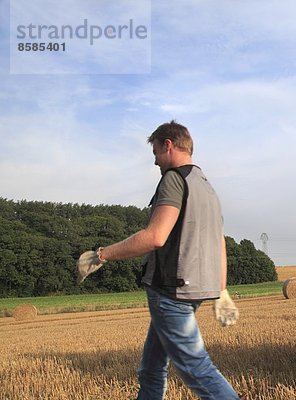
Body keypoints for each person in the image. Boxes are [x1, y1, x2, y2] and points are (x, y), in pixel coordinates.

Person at [76, 121, 241, 399]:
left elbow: (155, 236)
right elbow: (219, 241)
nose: (154, 162)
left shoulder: (173, 179)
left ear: (168, 145)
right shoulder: (206, 187)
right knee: (152, 368)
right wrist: (222, 289)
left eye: (155, 153)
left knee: (196, 368)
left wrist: (102, 255)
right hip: (191, 289)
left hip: (172, 290)